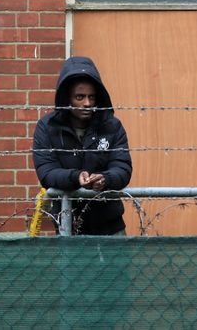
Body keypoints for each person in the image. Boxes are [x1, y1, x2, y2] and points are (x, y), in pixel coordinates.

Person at [32, 56, 132, 235]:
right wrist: (76, 178)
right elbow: (46, 171)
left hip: (109, 223)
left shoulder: (112, 126)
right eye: (80, 97)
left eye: (91, 97)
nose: (87, 103)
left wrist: (104, 179)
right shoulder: (48, 128)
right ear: (67, 99)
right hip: (68, 226)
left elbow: (122, 167)